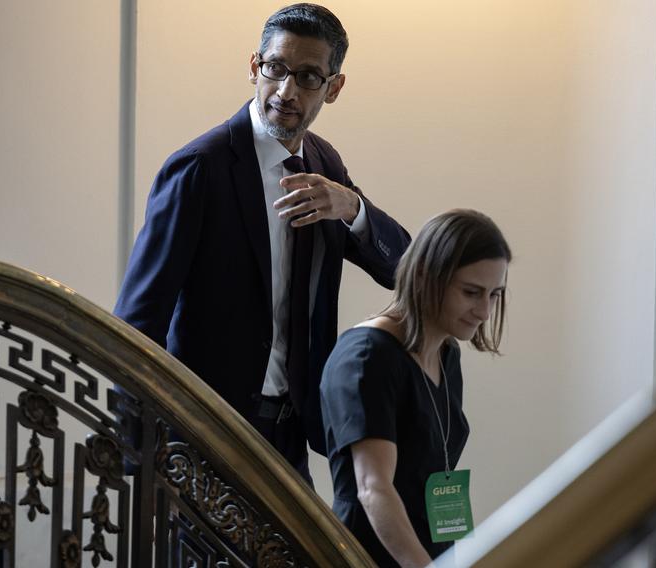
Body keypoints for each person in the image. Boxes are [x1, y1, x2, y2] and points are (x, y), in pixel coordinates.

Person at [113, 4, 410, 484]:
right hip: (204, 436)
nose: (287, 91)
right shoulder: (200, 168)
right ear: (255, 66)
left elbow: (405, 269)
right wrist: (139, 462)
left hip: (291, 435)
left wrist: (352, 208)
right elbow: (137, 319)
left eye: (309, 77)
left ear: (333, 88)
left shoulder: (323, 163)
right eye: (276, 69)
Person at [320, 209, 511, 567]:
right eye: (471, 292)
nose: (484, 311)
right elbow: (373, 487)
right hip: (371, 556)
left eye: (494, 294)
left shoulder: (446, 353)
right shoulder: (366, 357)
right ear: (425, 276)